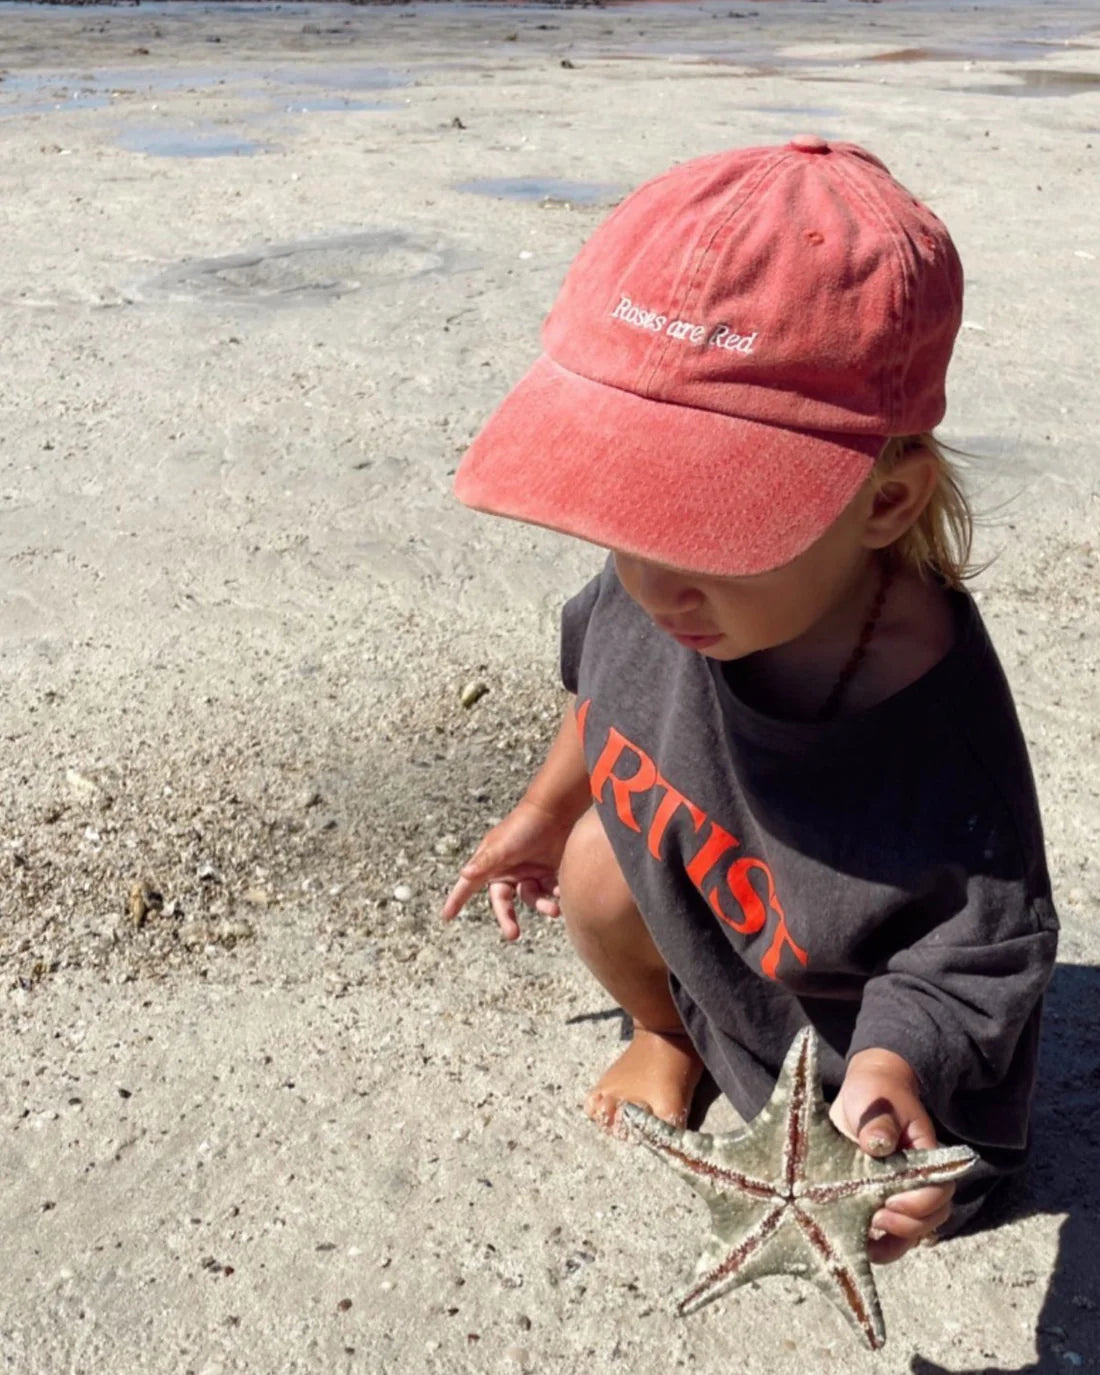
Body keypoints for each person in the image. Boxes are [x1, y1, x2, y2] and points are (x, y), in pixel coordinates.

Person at [441, 137, 1058, 1263]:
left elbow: (973, 957)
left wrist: (886, 1077)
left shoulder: (935, 735)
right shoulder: (663, 586)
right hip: (733, 943)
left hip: (871, 1069)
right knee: (587, 856)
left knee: (885, 1175)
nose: (650, 571)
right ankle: (667, 1029)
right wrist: (539, 809)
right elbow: (602, 697)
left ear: (885, 502)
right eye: (625, 503)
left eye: (710, 519)